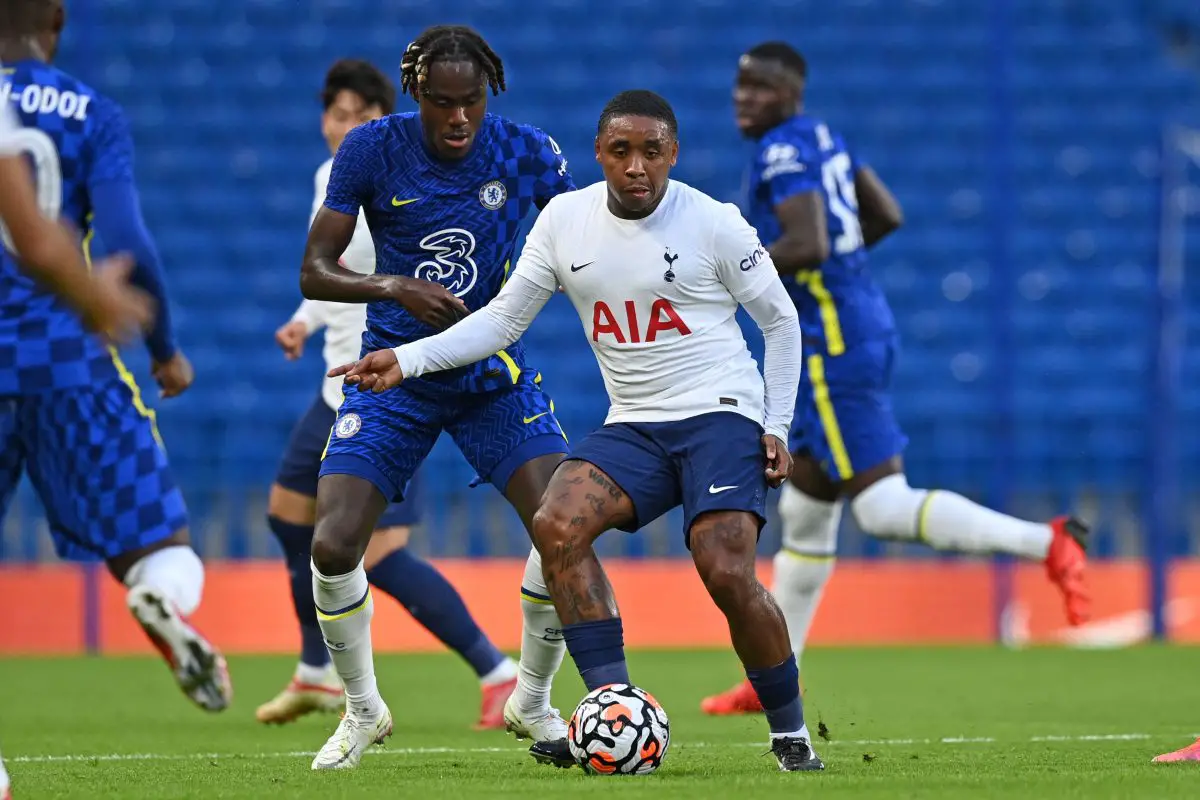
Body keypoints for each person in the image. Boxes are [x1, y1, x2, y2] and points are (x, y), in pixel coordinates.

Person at [334, 89, 826, 773]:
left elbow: (780, 322)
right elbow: (503, 321)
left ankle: (790, 734)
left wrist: (774, 424)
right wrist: (406, 359)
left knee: (725, 568)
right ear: (598, 154)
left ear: (672, 155)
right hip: (635, 424)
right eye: (620, 151)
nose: (635, 167)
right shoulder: (566, 221)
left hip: (719, 413)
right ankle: (611, 715)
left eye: (651, 152)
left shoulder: (716, 224)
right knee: (557, 524)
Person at [701, 41, 1091, 716]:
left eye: (760, 89)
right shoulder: (825, 137)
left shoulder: (781, 151)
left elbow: (810, 241)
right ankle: (772, 681)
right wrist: (836, 277)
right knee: (808, 509)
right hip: (860, 319)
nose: (745, 100)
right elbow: (886, 214)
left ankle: (1048, 542)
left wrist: (733, 271)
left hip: (831, 342)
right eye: (740, 89)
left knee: (881, 505)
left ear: (791, 93)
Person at [300, 25, 577, 770]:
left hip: (491, 375)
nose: (459, 119)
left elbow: (588, 243)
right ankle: (362, 710)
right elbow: (314, 270)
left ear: (489, 95)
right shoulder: (371, 149)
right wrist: (391, 285)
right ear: (416, 95)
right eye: (442, 103)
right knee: (331, 543)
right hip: (394, 375)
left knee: (563, 527)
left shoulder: (528, 153)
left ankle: (532, 698)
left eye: (472, 103)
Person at [258, 58, 518, 729]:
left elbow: (390, 271)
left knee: (377, 553)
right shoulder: (334, 175)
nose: (345, 127)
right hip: (333, 379)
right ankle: (318, 669)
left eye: (359, 116)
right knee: (289, 515)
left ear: (386, 120)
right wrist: (304, 318)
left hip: (383, 378)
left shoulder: (395, 171)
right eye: (335, 114)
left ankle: (496, 670)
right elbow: (335, 270)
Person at [0, 0, 230, 715]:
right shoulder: (91, 112)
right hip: (69, 356)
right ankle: (157, 595)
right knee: (160, 541)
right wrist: (164, 350)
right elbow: (127, 235)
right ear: (58, 20)